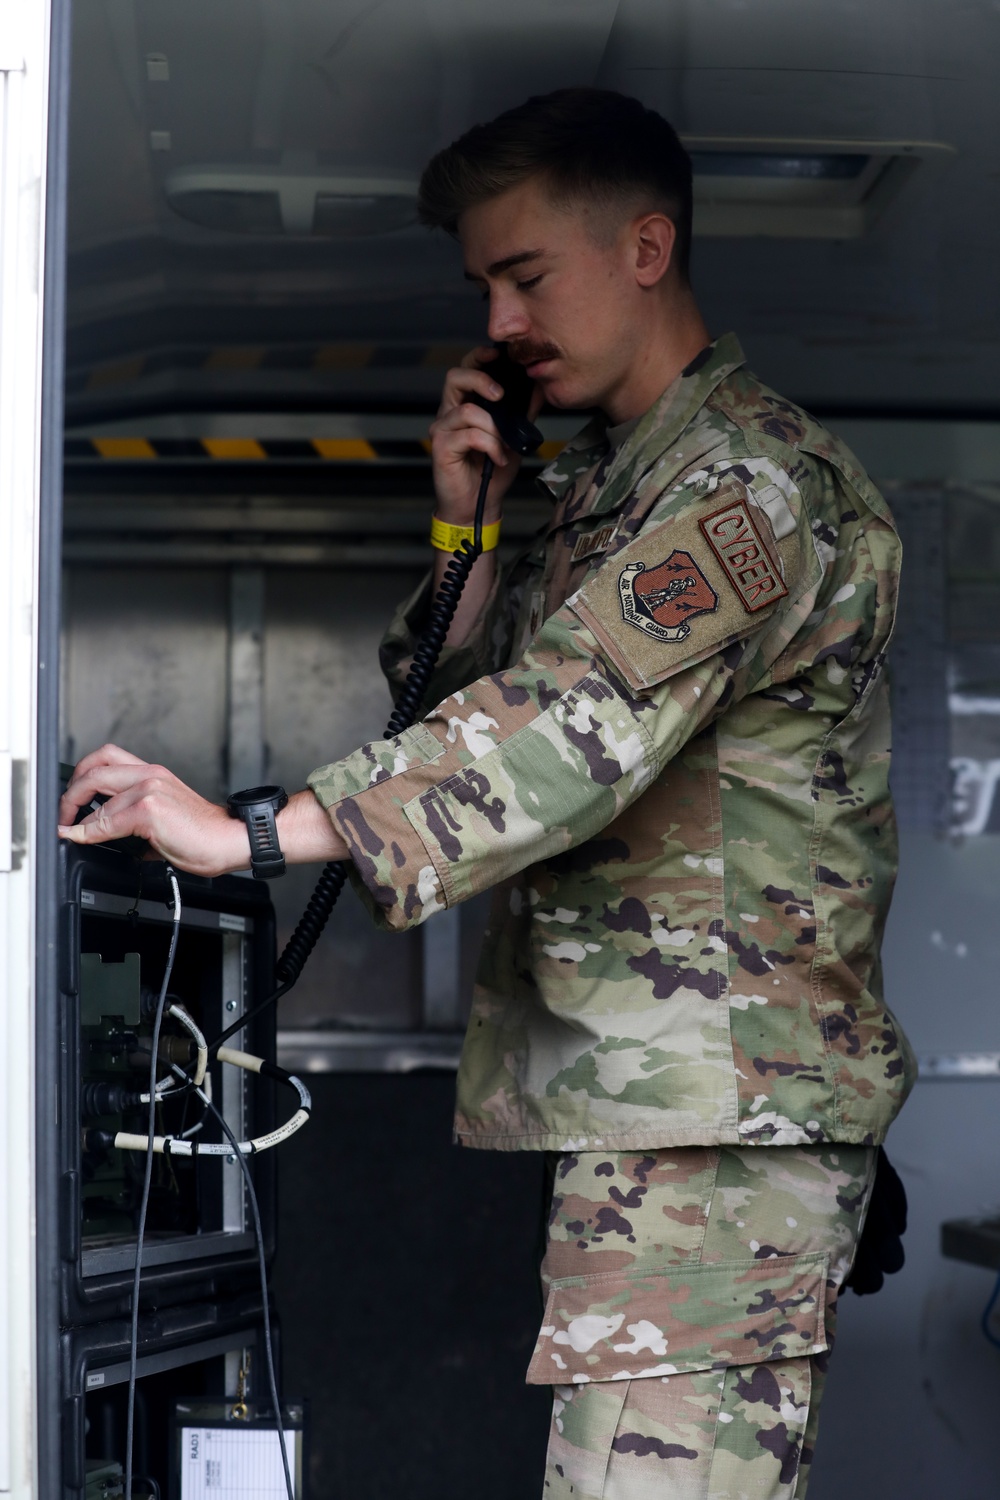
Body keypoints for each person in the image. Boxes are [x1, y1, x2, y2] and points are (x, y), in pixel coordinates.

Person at [60, 89, 915, 1500]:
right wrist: (466, 528)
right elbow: (470, 707)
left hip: (713, 1132)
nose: (502, 323)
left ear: (647, 249)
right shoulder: (606, 501)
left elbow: (562, 732)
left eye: (528, 278)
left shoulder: (747, 489)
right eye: (487, 289)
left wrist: (245, 834)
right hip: (649, 1115)